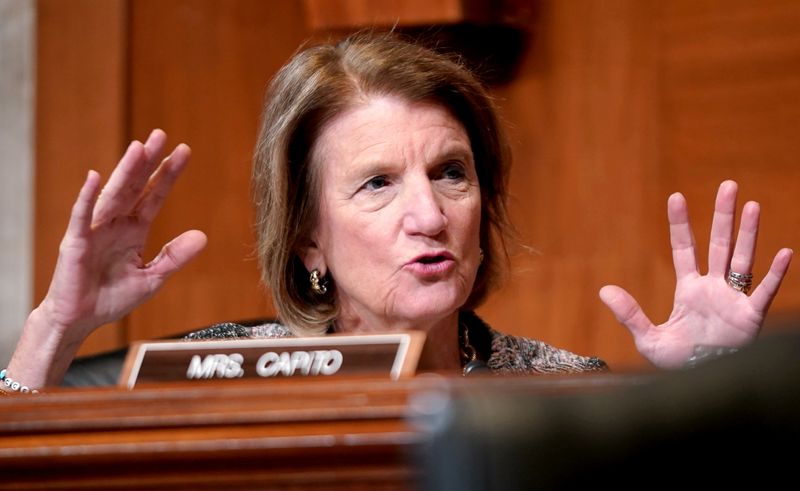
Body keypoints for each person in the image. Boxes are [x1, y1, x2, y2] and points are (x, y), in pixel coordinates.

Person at [1, 32, 793, 394]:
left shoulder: (561, 390)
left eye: (451, 172)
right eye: (376, 183)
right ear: (308, 233)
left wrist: (714, 400)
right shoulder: (219, 379)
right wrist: (53, 330)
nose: (429, 213)